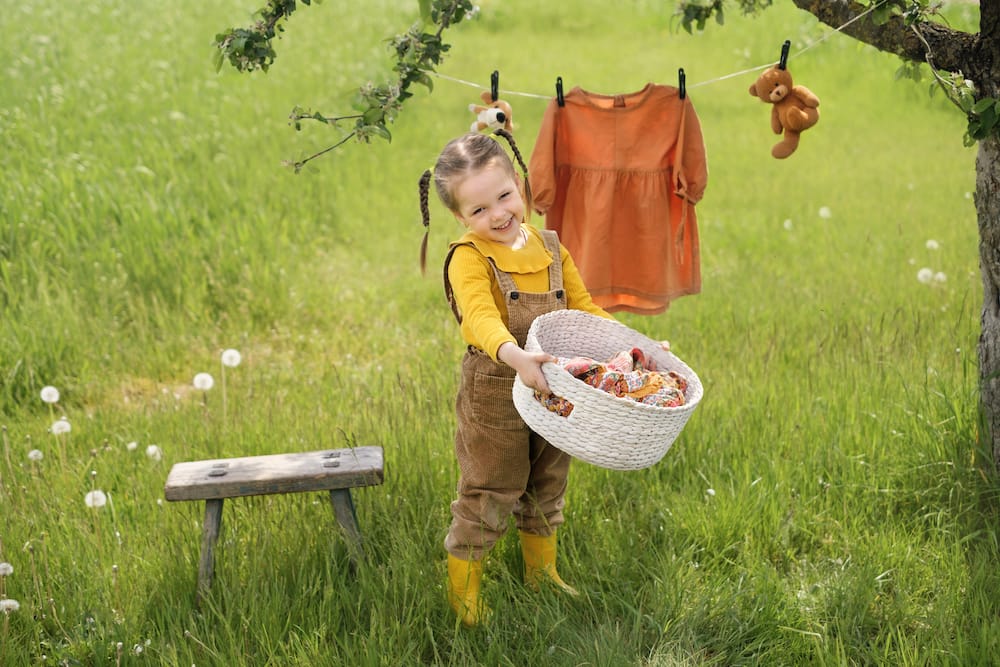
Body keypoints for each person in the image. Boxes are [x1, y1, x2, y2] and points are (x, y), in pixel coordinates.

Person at [418, 130, 615, 627]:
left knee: (548, 479)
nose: (498, 215)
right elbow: (479, 318)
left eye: (504, 196)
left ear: (520, 184)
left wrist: (631, 347)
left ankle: (541, 575)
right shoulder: (469, 256)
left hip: (555, 387)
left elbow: (584, 310)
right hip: (496, 392)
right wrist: (516, 357)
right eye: (478, 210)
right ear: (460, 218)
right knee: (491, 487)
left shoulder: (549, 246)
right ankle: (465, 598)